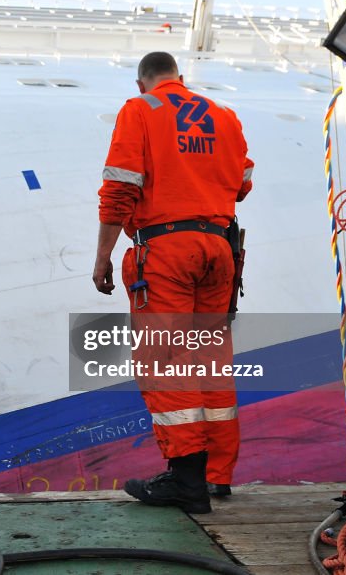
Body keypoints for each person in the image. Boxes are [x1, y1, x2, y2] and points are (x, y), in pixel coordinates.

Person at [92, 51, 253, 513]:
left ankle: (185, 480)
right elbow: (242, 182)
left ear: (143, 82)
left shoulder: (139, 109)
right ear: (180, 78)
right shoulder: (224, 115)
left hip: (167, 251)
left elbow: (121, 187)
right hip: (219, 251)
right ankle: (216, 476)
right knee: (210, 360)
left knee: (168, 360)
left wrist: (103, 256)